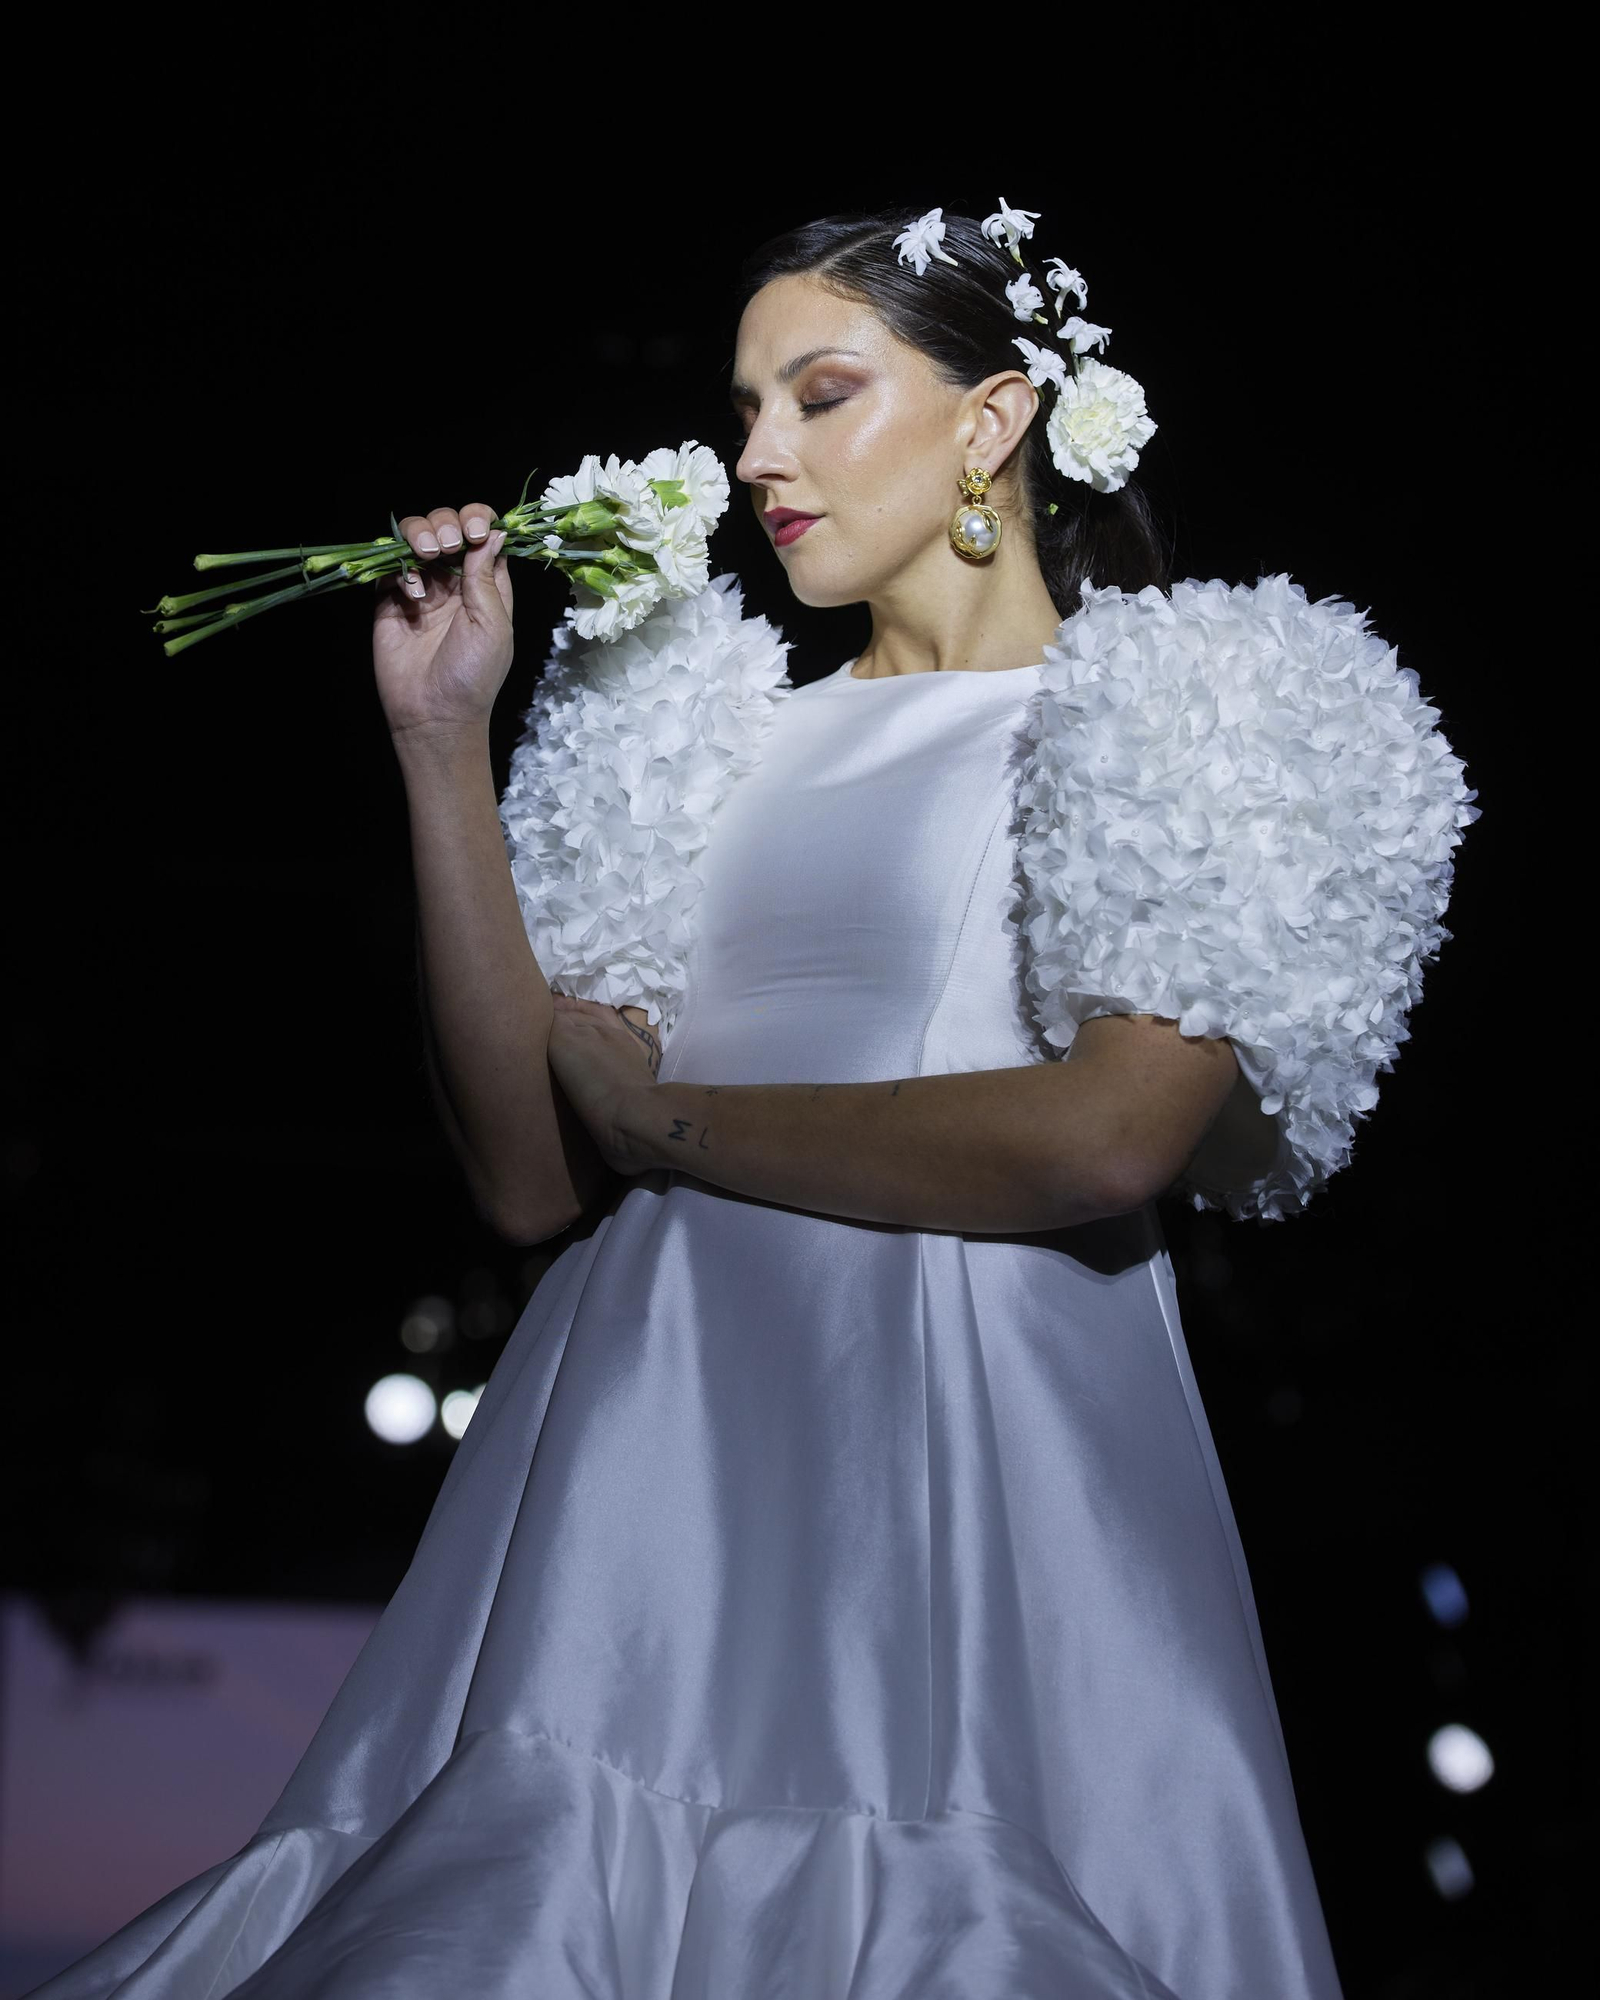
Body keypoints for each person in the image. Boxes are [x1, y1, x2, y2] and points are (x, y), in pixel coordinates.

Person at [32, 205, 1477, 1999]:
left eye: (820, 393)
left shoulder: (1193, 706)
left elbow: (1107, 1138)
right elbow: (521, 1175)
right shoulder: (701, 728)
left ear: (994, 420)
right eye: (745, 407)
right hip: (644, 1457)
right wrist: (441, 742)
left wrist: (674, 1132)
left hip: (977, 1440)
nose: (758, 455)